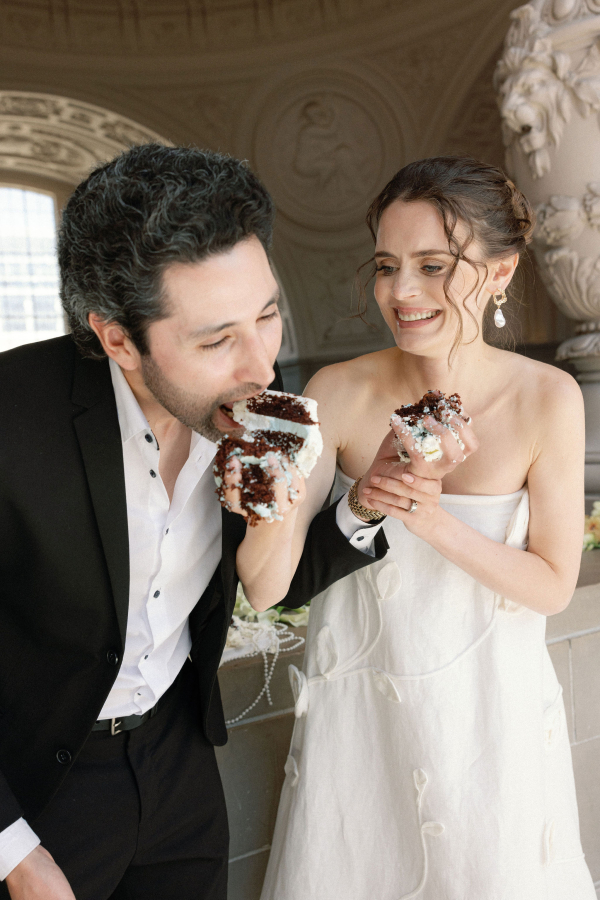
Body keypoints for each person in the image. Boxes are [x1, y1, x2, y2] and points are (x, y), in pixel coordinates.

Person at [0, 144, 458, 900]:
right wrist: (15, 851)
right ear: (118, 339)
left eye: (269, 315)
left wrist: (366, 498)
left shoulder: (255, 416)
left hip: (179, 773)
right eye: (217, 340)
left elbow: (268, 581)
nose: (261, 365)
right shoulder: (13, 418)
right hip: (36, 792)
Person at [240, 157, 596, 899]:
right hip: (362, 730)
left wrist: (427, 514)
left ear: (500, 272)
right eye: (387, 266)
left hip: (491, 727)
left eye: (435, 266)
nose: (402, 293)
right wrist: (270, 482)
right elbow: (268, 586)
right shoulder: (336, 393)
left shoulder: (547, 398)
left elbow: (554, 584)